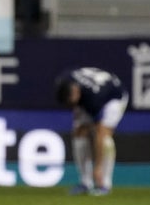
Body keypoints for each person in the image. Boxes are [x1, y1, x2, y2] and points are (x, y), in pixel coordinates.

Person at [54, 67, 129, 196]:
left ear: (76, 92)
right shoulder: (64, 79)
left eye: (72, 103)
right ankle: (85, 183)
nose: (72, 107)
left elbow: (99, 133)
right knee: (79, 133)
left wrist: (97, 167)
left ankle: (104, 184)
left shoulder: (94, 99)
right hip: (91, 93)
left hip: (114, 98)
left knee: (104, 137)